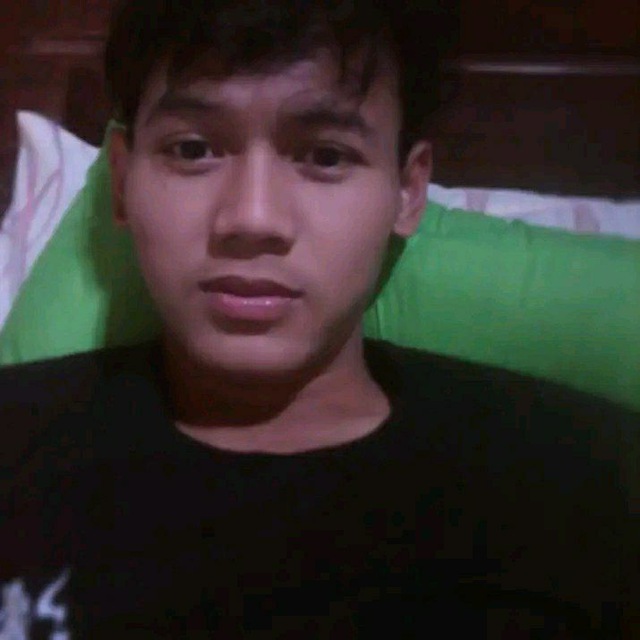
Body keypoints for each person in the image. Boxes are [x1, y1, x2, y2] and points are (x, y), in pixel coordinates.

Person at [0, 1, 637, 637]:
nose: (252, 218)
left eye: (327, 156)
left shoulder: (587, 479)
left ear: (408, 191)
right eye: (192, 149)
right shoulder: (17, 438)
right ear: (120, 182)